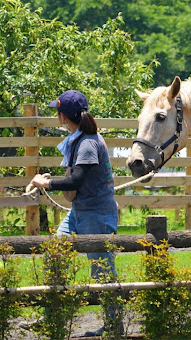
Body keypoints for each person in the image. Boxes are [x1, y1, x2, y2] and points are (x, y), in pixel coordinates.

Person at [30, 89, 118, 337]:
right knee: (55, 255)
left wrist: (46, 183)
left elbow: (76, 180)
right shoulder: (80, 139)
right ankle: (51, 317)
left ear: (63, 117)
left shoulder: (88, 143)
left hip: (96, 215)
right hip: (80, 211)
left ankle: (114, 324)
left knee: (102, 271)